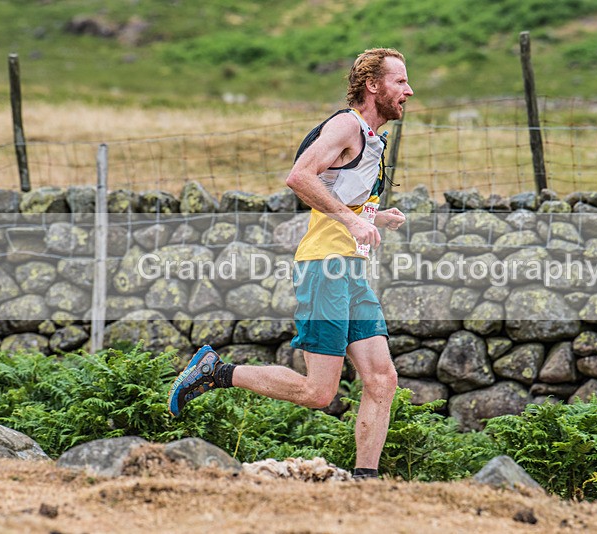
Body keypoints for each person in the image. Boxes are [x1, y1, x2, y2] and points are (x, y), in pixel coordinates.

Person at [168, 48, 414, 480]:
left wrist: (375, 216)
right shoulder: (346, 125)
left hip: (350, 272)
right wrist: (352, 221)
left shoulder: (373, 139)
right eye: (399, 82)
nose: (408, 91)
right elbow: (299, 176)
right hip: (324, 269)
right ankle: (215, 372)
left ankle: (365, 483)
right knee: (319, 392)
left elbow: (340, 192)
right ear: (373, 86)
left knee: (382, 380)